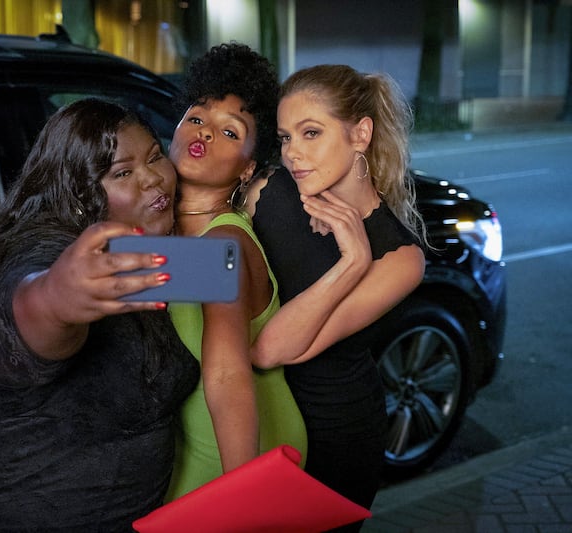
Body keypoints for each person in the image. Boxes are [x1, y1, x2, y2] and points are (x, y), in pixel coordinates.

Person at [0, 98, 200, 532]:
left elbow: (228, 275)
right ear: (79, 193)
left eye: (155, 157)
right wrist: (56, 299)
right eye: (122, 172)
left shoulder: (139, 256)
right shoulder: (46, 250)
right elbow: (22, 308)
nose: (153, 177)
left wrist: (245, 196)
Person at [246, 64, 427, 531]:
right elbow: (210, 266)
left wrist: (354, 259)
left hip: (336, 434)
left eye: (311, 133)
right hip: (260, 416)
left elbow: (271, 349)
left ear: (360, 134)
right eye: (286, 138)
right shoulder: (268, 192)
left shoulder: (400, 257)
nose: (293, 153)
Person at [164, 43, 308, 501]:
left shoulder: (224, 241)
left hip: (233, 449)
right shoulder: (168, 236)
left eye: (230, 132)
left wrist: (241, 495)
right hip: (192, 438)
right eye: (196, 117)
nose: (205, 132)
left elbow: (226, 373)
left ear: (248, 168)